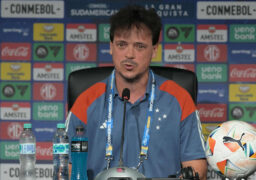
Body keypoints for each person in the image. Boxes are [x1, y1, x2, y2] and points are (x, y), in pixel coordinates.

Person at [66, 5, 207, 180]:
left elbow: (196, 167)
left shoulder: (179, 99)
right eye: (122, 45)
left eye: (139, 46)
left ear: (154, 50)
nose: (129, 54)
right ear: (111, 47)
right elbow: (66, 168)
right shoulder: (86, 101)